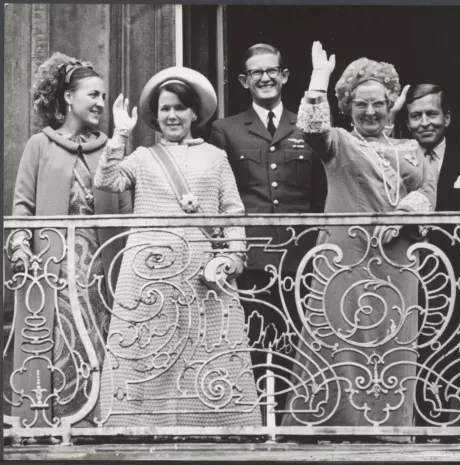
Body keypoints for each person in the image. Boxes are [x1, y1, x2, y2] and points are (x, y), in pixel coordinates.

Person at [281, 42, 436, 433]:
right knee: (340, 346)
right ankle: (332, 434)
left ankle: (391, 435)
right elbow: (311, 127)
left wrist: (403, 214)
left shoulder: (410, 148)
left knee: (394, 347)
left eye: (378, 104)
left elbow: (428, 192)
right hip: (345, 262)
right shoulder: (338, 142)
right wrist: (319, 79)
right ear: (347, 107)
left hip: (397, 264)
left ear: (390, 105)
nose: (370, 112)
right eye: (361, 104)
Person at [94, 66, 262, 427]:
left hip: (203, 271)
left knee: (204, 351)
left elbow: (233, 210)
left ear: (194, 114)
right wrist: (121, 132)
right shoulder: (141, 156)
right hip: (148, 273)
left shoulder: (215, 157)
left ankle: (212, 429)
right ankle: (137, 429)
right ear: (156, 116)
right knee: (147, 351)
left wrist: (232, 255)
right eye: (165, 108)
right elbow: (106, 180)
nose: (172, 115)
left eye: (180, 108)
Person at [8, 53, 131, 429]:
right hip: (53, 265)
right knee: (55, 340)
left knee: (101, 338)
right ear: (67, 97)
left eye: (103, 96)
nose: (100, 103)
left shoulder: (109, 147)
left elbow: (125, 207)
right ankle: (50, 422)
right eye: (93, 94)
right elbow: (22, 207)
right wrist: (19, 247)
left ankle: (100, 421)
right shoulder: (40, 146)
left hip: (101, 265)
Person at [209, 43, 327, 422]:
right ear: (244, 80)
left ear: (284, 75)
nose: (264, 78)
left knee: (300, 342)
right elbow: (220, 195)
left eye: (271, 70)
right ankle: (259, 423)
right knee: (254, 343)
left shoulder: (306, 125)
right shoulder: (225, 130)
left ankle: (295, 422)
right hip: (251, 258)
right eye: (256, 73)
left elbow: (323, 196)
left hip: (301, 257)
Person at [404, 84, 460, 428]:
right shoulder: (398, 158)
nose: (424, 122)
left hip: (456, 273)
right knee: (409, 348)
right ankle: (414, 424)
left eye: (431, 113)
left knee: (454, 347)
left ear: (446, 117)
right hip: (406, 273)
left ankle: (455, 426)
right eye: (416, 115)